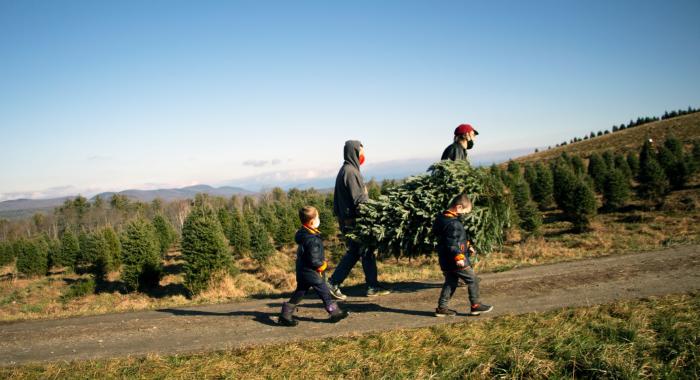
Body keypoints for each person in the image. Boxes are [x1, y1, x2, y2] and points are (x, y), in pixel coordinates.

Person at [327, 140, 391, 300]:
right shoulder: (351, 172)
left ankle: (369, 284)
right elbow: (359, 201)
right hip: (354, 222)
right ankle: (336, 283)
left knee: (359, 252)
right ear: (354, 153)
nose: (363, 156)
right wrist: (373, 212)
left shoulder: (346, 170)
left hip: (349, 221)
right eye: (361, 152)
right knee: (362, 251)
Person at [278, 206, 348, 326]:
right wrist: (322, 265)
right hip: (312, 272)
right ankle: (334, 312)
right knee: (324, 291)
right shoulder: (312, 240)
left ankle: (285, 314)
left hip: (302, 270)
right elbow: (314, 260)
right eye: (318, 218)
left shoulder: (304, 234)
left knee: (300, 292)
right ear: (312, 222)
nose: (319, 220)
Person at [432, 193, 493, 317]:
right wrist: (459, 257)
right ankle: (475, 306)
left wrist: (467, 245)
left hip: (445, 259)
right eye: (465, 212)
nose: (464, 214)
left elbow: (454, 239)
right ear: (459, 207)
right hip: (456, 259)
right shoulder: (453, 223)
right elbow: (452, 243)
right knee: (473, 280)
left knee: (450, 282)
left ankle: (442, 308)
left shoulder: (442, 218)